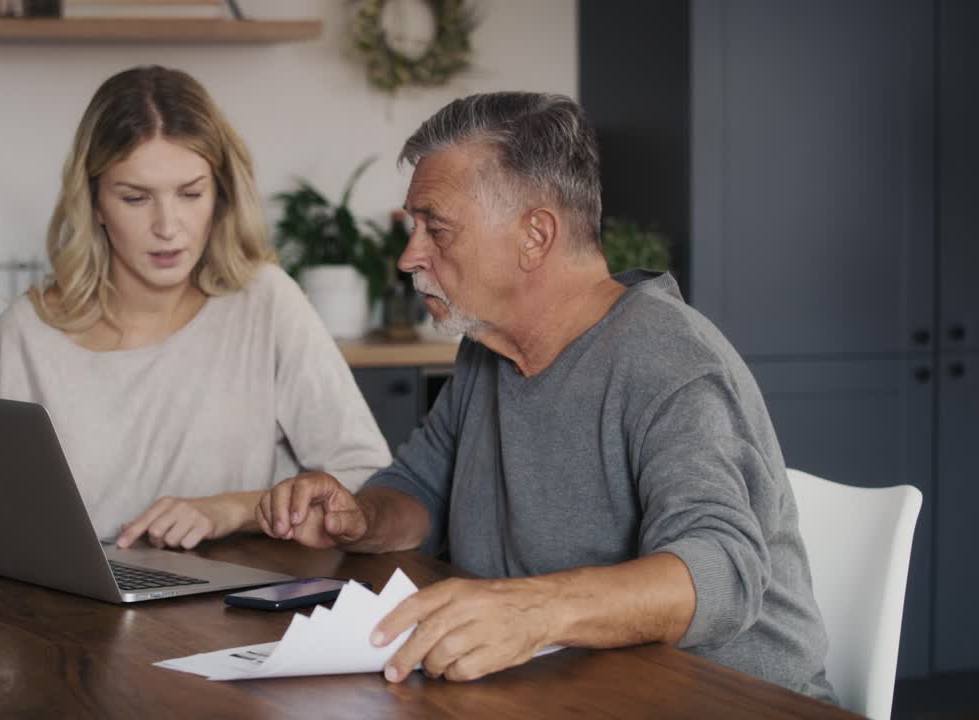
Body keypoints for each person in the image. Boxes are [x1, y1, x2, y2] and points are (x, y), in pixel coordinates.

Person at [257, 92, 836, 702]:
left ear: (535, 236)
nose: (409, 257)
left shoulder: (669, 359)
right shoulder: (486, 349)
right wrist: (361, 518)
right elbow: (421, 489)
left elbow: (721, 571)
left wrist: (532, 610)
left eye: (437, 229)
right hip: (563, 691)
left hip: (726, 702)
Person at [0, 66, 390, 552]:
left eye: (190, 193)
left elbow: (366, 481)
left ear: (220, 195)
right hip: (68, 607)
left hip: (235, 601)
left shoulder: (265, 303)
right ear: (95, 202)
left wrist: (234, 510)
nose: (167, 226)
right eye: (135, 198)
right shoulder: (24, 335)